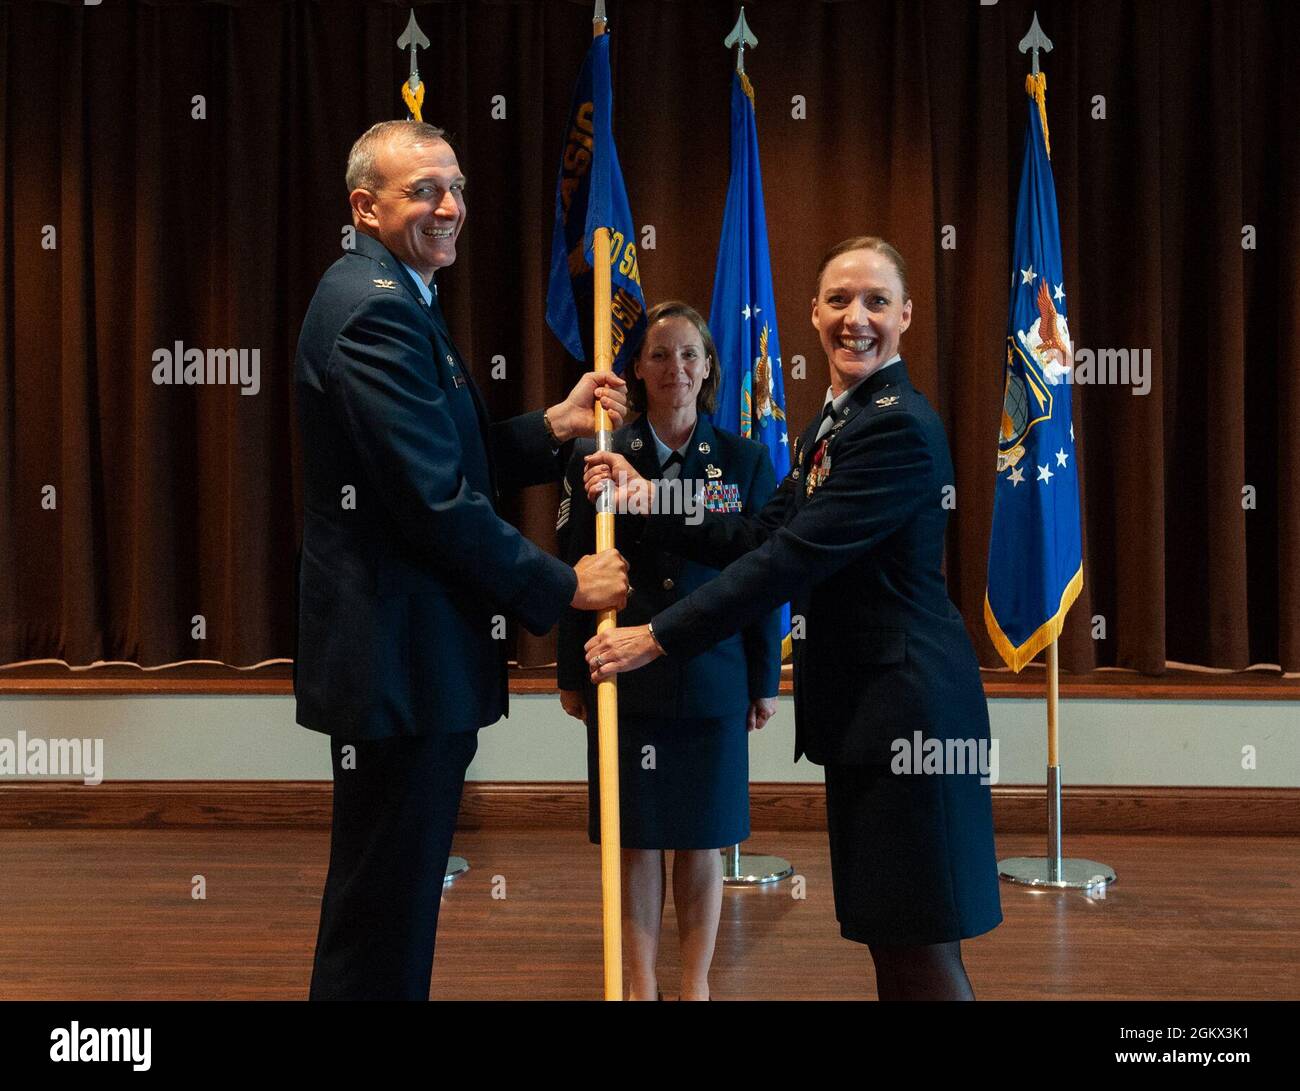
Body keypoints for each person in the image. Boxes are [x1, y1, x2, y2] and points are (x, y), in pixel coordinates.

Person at [582, 237, 1003, 1000]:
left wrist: (657, 635)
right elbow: (750, 532)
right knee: (892, 937)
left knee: (920, 947)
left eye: (876, 300)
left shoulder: (895, 426)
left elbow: (788, 561)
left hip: (911, 720)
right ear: (812, 312)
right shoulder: (832, 424)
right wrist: (651, 500)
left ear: (906, 314)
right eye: (839, 300)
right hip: (869, 719)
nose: (856, 318)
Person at [293, 120, 629, 1000]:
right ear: (365, 207)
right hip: (397, 665)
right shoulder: (373, 308)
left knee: (391, 905)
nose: (450, 207)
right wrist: (564, 586)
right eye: (423, 191)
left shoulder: (392, 291)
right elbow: (433, 502)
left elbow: (449, 454)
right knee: (384, 915)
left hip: (407, 663)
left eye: (455, 187)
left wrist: (551, 426)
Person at [556, 301, 781, 1001]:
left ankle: (694, 986)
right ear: (636, 368)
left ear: (709, 366)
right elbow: (575, 571)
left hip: (712, 675)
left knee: (703, 838)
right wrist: (573, 672)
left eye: (689, 354)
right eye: (658, 354)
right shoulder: (598, 453)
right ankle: (641, 984)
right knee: (637, 837)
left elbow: (764, 574)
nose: (674, 368)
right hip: (625, 677)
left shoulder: (744, 460)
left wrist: (764, 676)